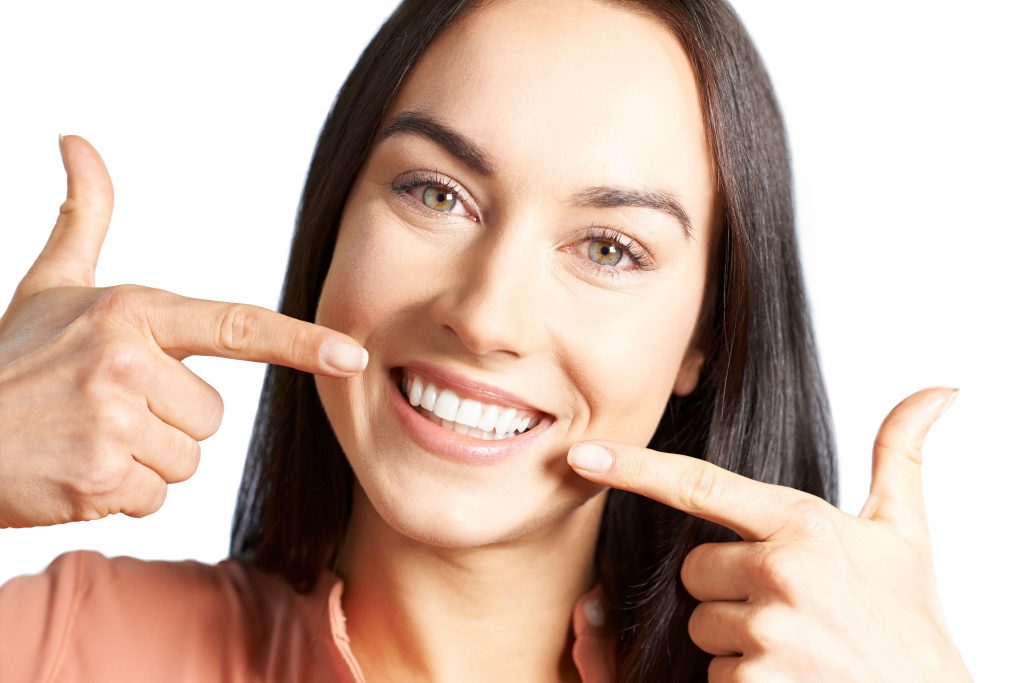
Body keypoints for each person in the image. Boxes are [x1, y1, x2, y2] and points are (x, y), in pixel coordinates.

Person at [0, 0, 975, 681]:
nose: (485, 314)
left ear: (702, 342)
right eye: (436, 192)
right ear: (335, 218)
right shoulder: (65, 643)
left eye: (608, 246)